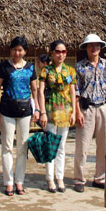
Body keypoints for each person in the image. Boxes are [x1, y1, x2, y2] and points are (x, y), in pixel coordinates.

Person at [0, 36, 39, 196]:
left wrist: (38, 109)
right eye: (14, 49)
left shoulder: (31, 68)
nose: (17, 52)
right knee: (7, 146)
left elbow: (34, 90)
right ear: (10, 50)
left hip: (25, 111)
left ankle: (19, 181)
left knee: (22, 147)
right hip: (7, 110)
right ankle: (8, 182)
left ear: (25, 51)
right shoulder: (4, 67)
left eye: (20, 49)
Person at [73, 34, 106, 193]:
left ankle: (100, 178)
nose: (94, 48)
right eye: (90, 45)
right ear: (86, 48)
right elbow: (76, 91)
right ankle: (79, 179)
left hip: (104, 107)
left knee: (103, 146)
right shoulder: (79, 66)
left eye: (97, 45)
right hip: (86, 108)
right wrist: (77, 111)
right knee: (82, 146)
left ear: (100, 47)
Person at [39, 40, 77, 193]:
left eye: (63, 51)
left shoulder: (70, 71)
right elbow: (40, 91)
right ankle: (49, 178)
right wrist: (42, 111)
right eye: (57, 51)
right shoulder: (46, 71)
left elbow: (73, 92)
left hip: (65, 111)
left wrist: (74, 111)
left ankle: (59, 177)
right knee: (50, 145)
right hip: (50, 110)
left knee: (61, 147)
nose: (61, 54)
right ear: (52, 53)